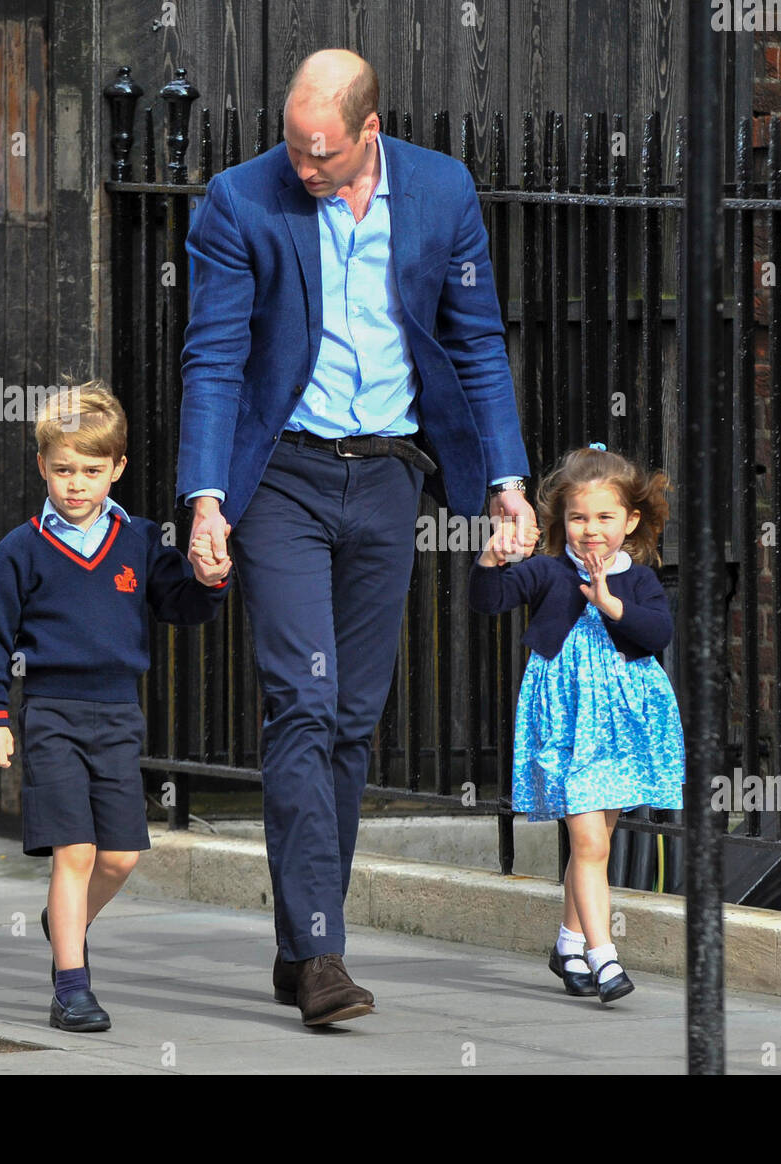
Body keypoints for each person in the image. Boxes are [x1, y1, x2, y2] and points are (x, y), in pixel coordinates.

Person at [178, 49, 536, 1026]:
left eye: (323, 152)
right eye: (293, 145)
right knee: (301, 701)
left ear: (368, 131)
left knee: (349, 720)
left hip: (387, 478)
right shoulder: (238, 201)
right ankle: (326, 954)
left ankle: (301, 946)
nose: (304, 167)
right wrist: (206, 500)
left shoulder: (442, 192)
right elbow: (212, 356)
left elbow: (474, 341)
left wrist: (505, 482)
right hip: (281, 477)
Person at [0, 382, 231, 1032]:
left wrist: (209, 577)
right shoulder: (21, 550)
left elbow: (183, 607)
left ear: (116, 468)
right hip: (52, 714)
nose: (76, 484)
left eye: (91, 470)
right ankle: (71, 987)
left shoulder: (139, 540)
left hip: (118, 719)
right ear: (42, 466)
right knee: (76, 853)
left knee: (119, 859)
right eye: (63, 470)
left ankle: (63, 922)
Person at [468, 444, 684, 1004]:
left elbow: (658, 634)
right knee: (588, 840)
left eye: (605, 517)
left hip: (623, 725)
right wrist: (491, 561)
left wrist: (612, 606)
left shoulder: (637, 579)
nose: (591, 530)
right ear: (561, 521)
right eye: (579, 517)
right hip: (568, 725)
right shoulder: (546, 571)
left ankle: (567, 942)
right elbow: (488, 601)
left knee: (597, 841)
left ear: (631, 520)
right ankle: (602, 954)